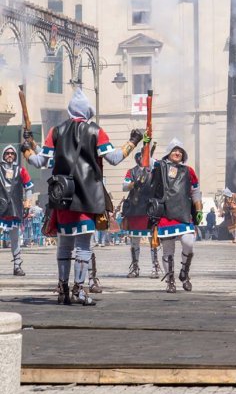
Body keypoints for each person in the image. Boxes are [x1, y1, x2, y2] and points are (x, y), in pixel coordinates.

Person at [24, 89, 144, 305]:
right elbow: (114, 158)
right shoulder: (95, 131)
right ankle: (79, 290)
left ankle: (63, 289)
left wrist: (27, 151)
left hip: (63, 195)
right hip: (87, 195)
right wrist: (133, 141)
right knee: (83, 246)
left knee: (64, 245)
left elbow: (41, 162)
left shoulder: (55, 131)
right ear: (88, 111)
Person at [149, 139, 203, 293]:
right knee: (168, 250)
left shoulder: (189, 171)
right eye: (174, 150)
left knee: (189, 243)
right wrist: (146, 144)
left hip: (183, 213)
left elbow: (195, 191)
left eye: (180, 151)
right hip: (165, 214)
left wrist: (198, 209)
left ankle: (184, 273)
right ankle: (170, 281)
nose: (177, 153)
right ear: (169, 152)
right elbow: (147, 162)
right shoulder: (160, 166)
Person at [120, 148, 161, 278]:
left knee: (153, 240)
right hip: (135, 208)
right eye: (140, 156)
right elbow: (124, 186)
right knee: (134, 240)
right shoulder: (132, 171)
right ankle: (135, 267)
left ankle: (155, 266)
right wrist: (135, 183)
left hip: (150, 209)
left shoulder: (154, 169)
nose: (141, 158)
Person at [0, 145, 34, 276]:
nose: (9, 155)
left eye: (12, 153)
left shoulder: (21, 170)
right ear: (3, 155)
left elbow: (29, 187)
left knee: (15, 238)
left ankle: (17, 266)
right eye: (7, 153)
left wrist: (27, 204)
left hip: (14, 207)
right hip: (0, 205)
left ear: (15, 156)